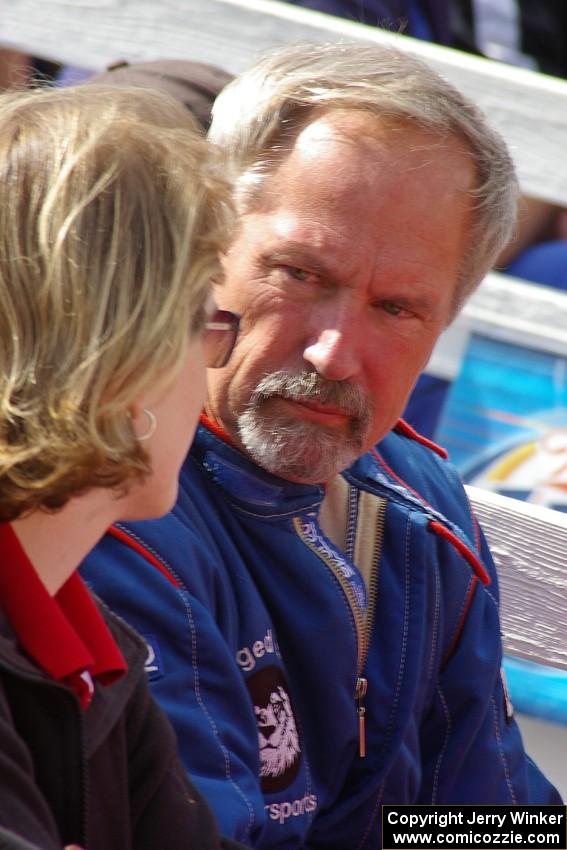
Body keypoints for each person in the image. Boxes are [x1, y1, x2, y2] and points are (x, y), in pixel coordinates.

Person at [83, 42, 562, 850]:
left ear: (446, 319)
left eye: (396, 308)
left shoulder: (418, 503)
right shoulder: (109, 510)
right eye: (300, 275)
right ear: (208, 250)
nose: (332, 354)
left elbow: (470, 814)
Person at [0, 83, 243, 849]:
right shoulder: (117, 596)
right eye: (206, 323)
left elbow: (482, 811)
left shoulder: (83, 638)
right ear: (123, 360)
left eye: (399, 306)